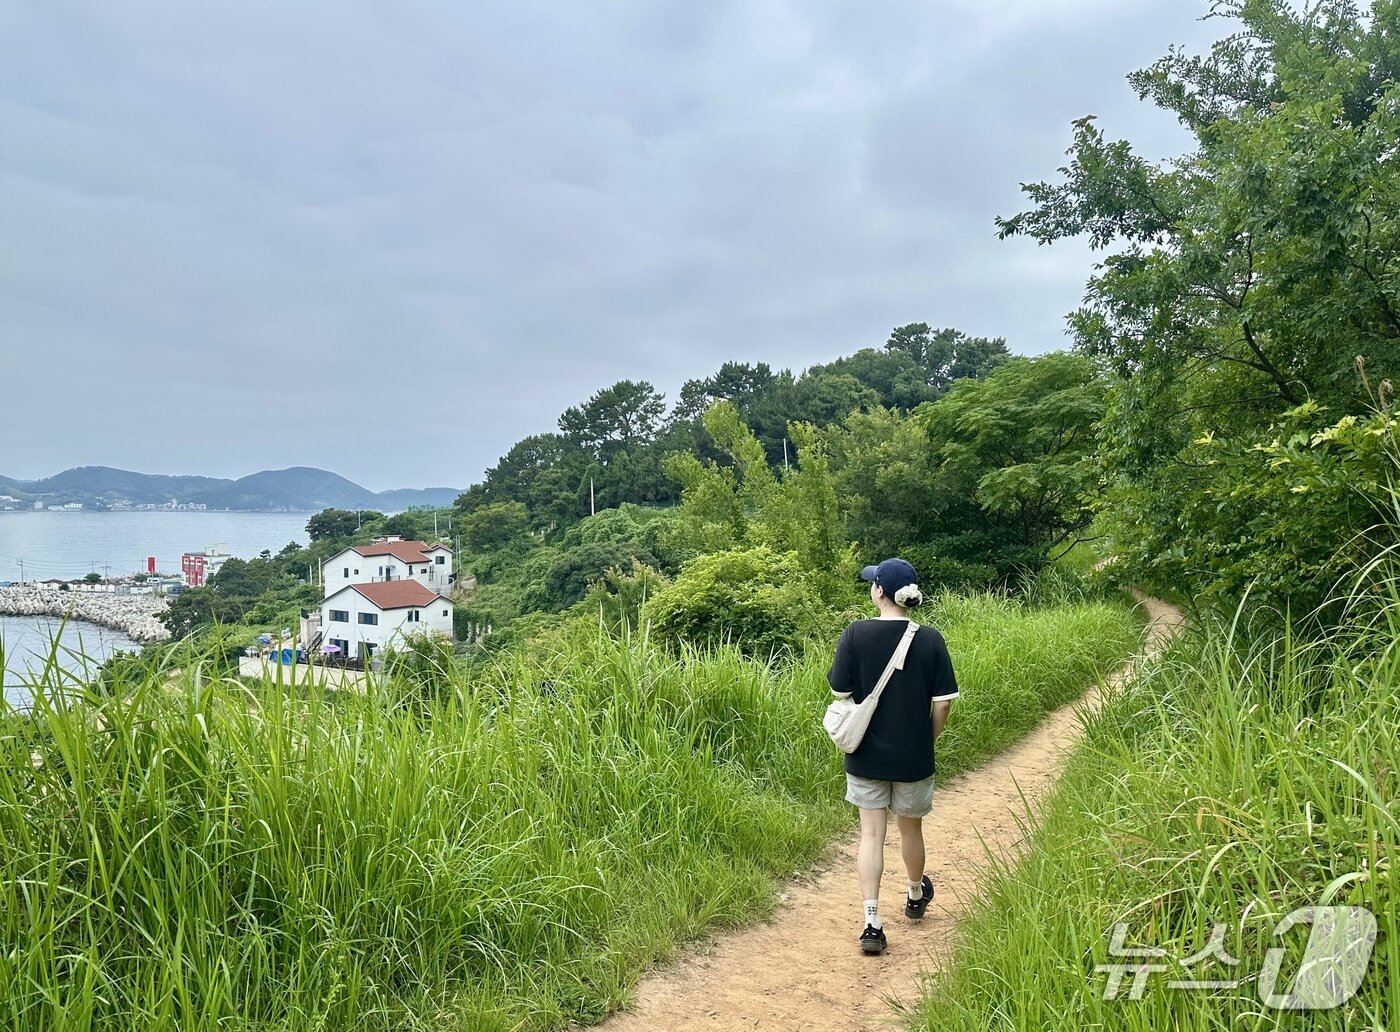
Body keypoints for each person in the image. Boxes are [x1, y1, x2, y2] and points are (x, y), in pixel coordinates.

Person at [827, 557, 958, 955]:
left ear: (879, 591)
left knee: (871, 834)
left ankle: (871, 922)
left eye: (872, 583)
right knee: (910, 830)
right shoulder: (931, 638)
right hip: (913, 758)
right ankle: (916, 895)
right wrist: (925, 738)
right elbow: (943, 705)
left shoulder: (855, 634)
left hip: (866, 756)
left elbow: (840, 693)